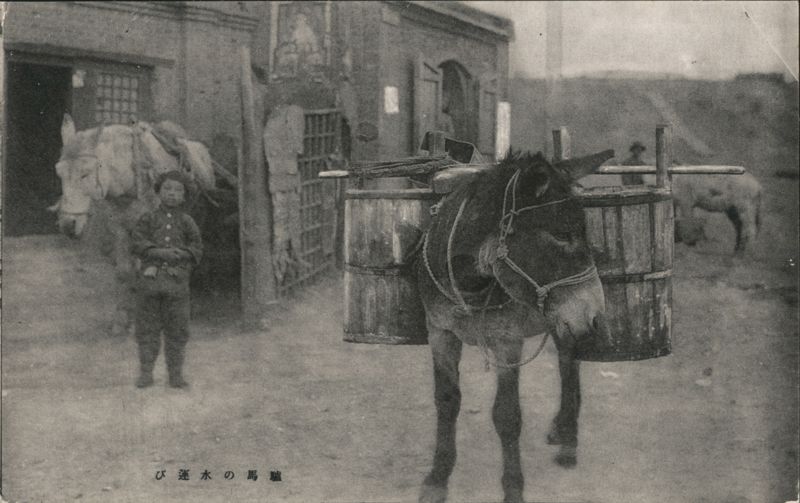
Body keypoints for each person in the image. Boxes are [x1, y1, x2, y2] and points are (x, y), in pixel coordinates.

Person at [131, 171, 202, 389]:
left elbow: (197, 247)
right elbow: (137, 243)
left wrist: (180, 256)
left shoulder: (187, 221)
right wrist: (159, 253)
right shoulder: (148, 218)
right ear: (159, 193)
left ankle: (175, 375)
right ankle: (146, 373)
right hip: (150, 284)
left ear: (184, 196)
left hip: (176, 285)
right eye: (167, 189)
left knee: (178, 329)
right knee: (147, 328)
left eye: (177, 190)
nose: (172, 194)